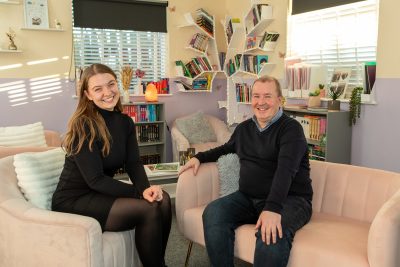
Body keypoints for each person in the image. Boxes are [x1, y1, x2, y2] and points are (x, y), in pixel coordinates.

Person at [179, 75, 313, 267]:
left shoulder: (291, 130)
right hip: (249, 198)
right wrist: (198, 158)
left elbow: (286, 171)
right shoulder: (244, 129)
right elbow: (225, 148)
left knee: (271, 232)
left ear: (279, 100)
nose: (261, 102)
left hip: (291, 200)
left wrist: (273, 208)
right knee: (213, 212)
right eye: (256, 96)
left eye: (268, 96)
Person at [52, 63, 171, 267]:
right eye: (98, 89)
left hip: (98, 192)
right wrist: (138, 193)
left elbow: (133, 164)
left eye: (111, 84)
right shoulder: (84, 124)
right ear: (88, 94)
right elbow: (95, 180)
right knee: (148, 209)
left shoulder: (125, 122)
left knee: (164, 200)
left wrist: (146, 190)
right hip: (74, 199)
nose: (107, 92)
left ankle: (158, 262)